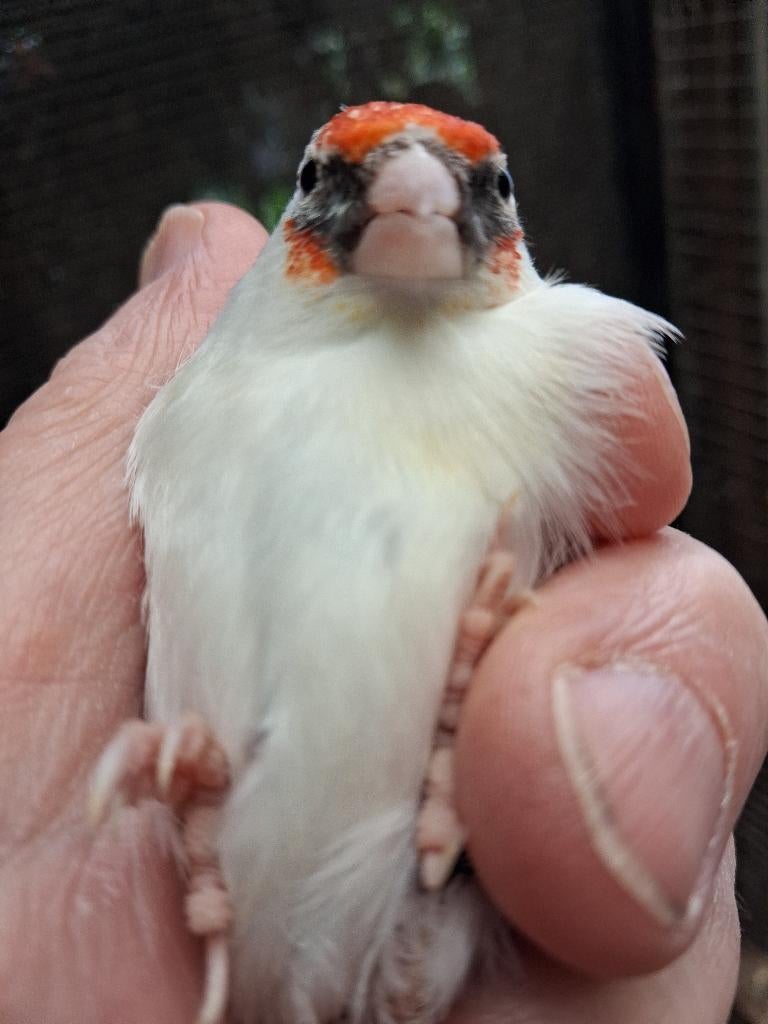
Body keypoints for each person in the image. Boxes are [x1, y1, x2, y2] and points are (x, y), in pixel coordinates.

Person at [0, 202, 765, 1023]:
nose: (411, 197)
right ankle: (223, 834)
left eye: (480, 189)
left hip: (437, 934)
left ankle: (440, 868)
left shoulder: (544, 371)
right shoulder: (205, 381)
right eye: (333, 183)